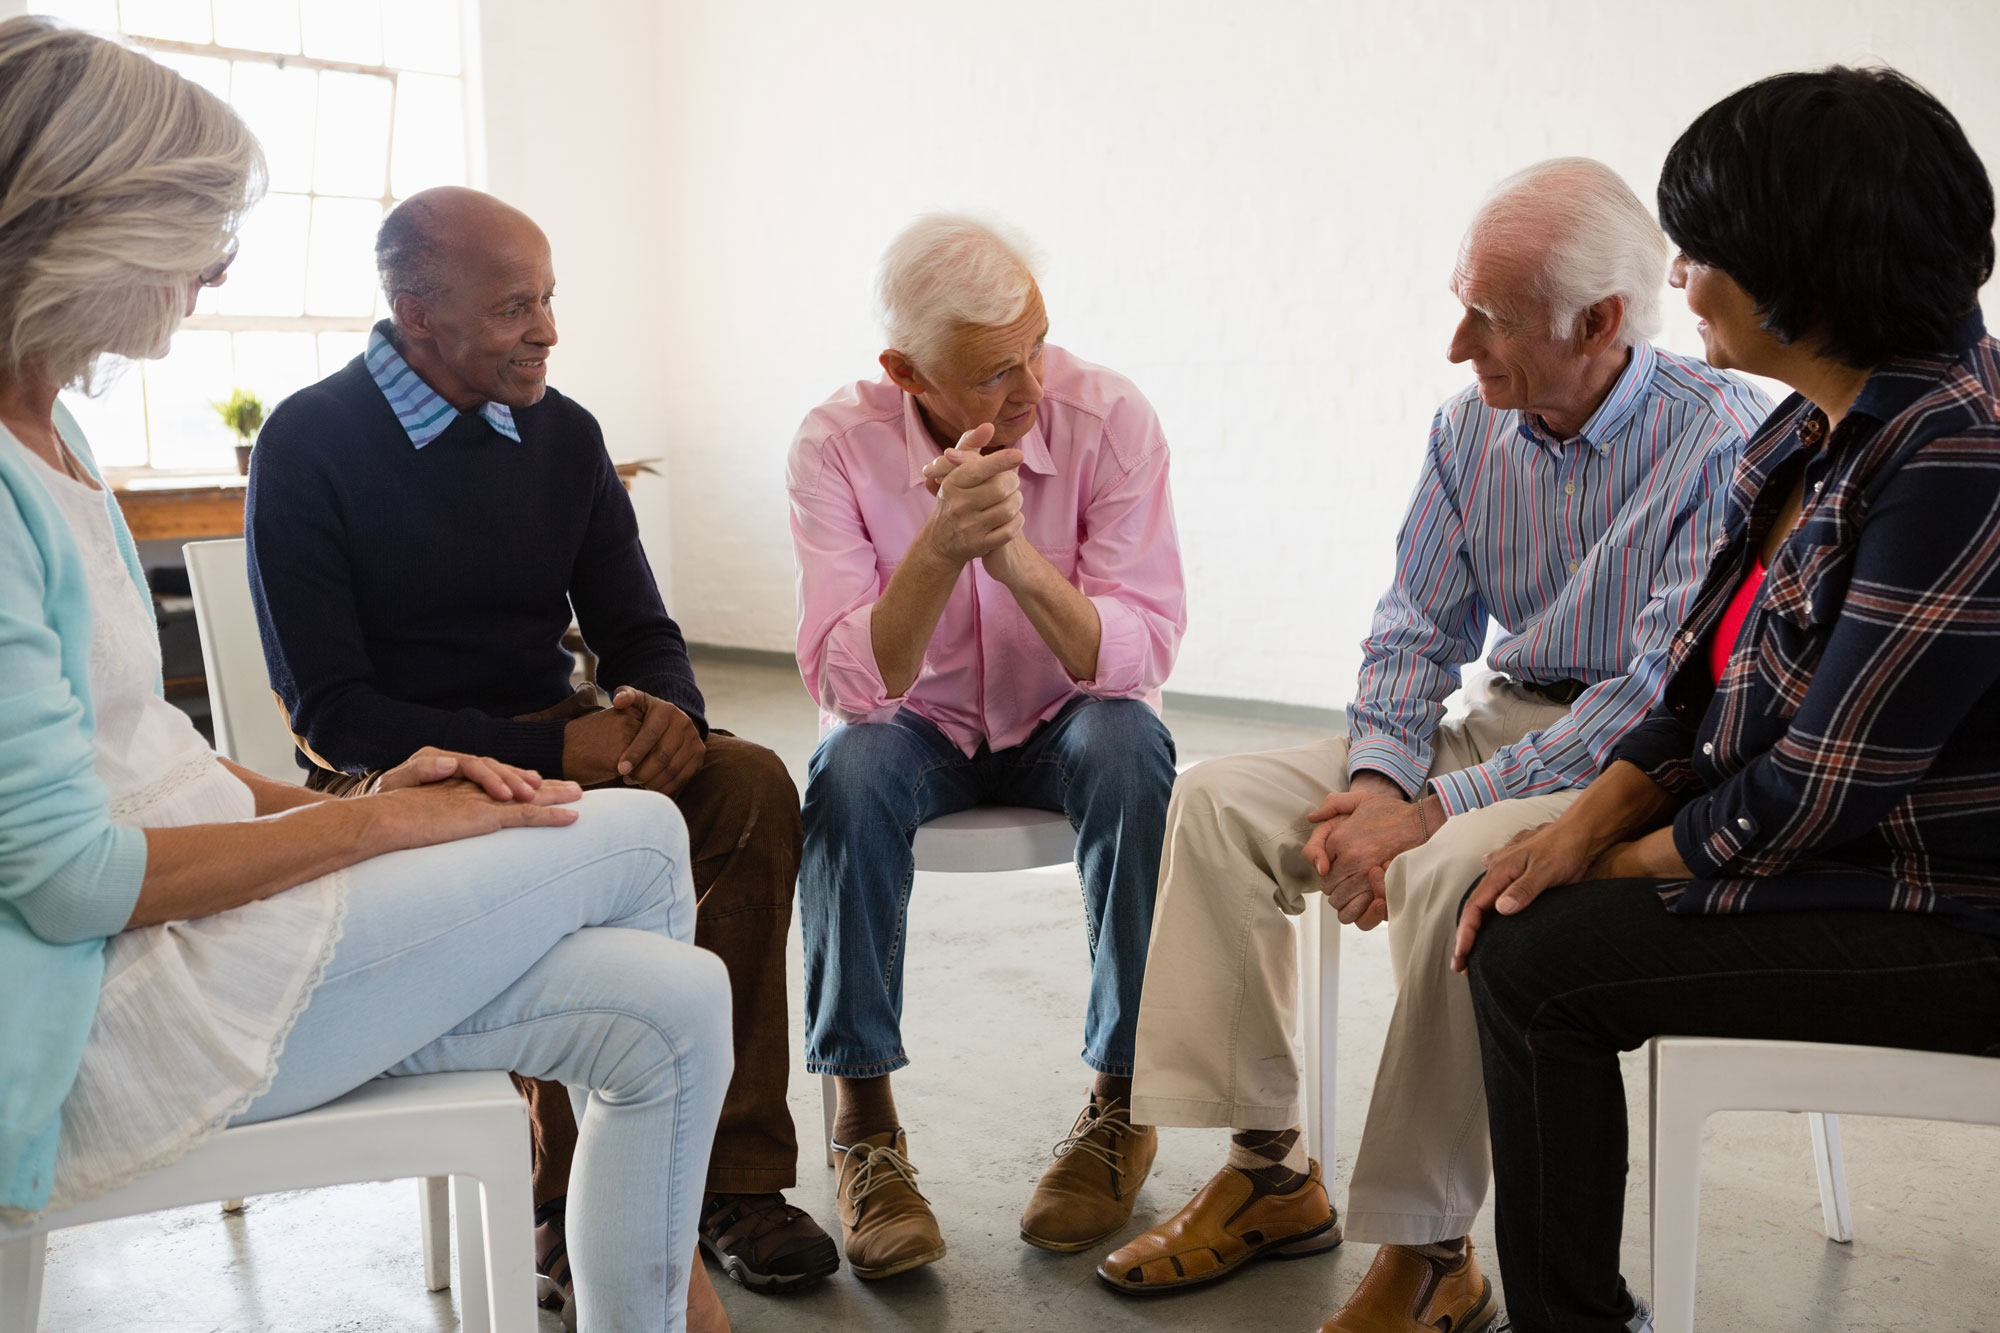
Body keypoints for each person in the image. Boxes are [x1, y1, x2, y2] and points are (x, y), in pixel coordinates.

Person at [0, 17, 732, 1332]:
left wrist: (386, 796)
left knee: (675, 999)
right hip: (110, 1017)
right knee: (631, 837)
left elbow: (151, 761)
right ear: (83, 226)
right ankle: (681, 1296)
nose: (216, 270)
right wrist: (377, 819)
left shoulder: (51, 437)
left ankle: (661, 1314)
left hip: (195, 941)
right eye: (194, 229)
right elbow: (69, 880)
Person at [1106, 160, 1771, 1329]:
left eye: (1492, 316)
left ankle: (1428, 1251)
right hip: (1497, 724)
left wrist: (1431, 814)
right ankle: (1269, 1170)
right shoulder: (1470, 429)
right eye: (1460, 305)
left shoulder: (1721, 441)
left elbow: (1648, 693)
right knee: (1214, 800)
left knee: (1449, 873)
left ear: (1601, 321)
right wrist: (1378, 781)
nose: (1458, 344)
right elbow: (1414, 629)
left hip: (1628, 769)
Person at [1458, 68, 2000, 1333]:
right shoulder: (1807, 434)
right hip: (1856, 858)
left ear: (1802, 270)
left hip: (1955, 910)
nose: (1680, 283)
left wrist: (1619, 866)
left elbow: (1820, 781)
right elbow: (1693, 686)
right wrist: (1581, 824)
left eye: (1701, 253)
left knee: (1538, 964)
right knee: (1521, 896)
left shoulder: (1960, 456)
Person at [244, 187, 834, 1308]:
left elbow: (641, 630)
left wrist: (667, 710)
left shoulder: (563, 435)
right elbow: (330, 710)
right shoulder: (310, 441)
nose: (549, 329)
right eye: (517, 306)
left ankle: (736, 1183)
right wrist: (567, 753)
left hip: (564, 748)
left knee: (747, 783)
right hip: (403, 773)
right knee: (570, 838)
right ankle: (563, 1196)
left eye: (550, 298)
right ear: (418, 314)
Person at [786, 214, 1185, 1277]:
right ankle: (862, 1123)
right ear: (904, 370)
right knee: (847, 770)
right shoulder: (834, 442)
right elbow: (847, 679)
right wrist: (938, 547)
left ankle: (1121, 1097)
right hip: (915, 725)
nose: (1029, 389)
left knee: (1129, 748)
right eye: (993, 373)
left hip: (1066, 711)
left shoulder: (1109, 419)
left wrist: (1011, 560)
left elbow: (1141, 649)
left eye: (1036, 347)